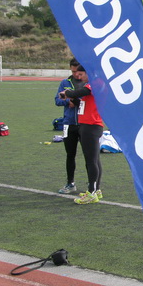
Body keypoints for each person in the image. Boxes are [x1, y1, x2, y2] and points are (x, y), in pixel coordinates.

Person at [59, 64, 104, 205]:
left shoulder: (95, 83)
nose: (79, 77)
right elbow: (83, 104)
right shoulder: (90, 86)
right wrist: (72, 99)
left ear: (88, 73)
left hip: (91, 126)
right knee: (93, 159)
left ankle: (92, 192)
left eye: (81, 74)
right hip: (87, 125)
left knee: (91, 160)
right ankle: (95, 190)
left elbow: (80, 92)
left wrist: (68, 93)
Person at [55, 58, 83, 194]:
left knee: (90, 157)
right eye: (73, 71)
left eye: (77, 71)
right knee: (70, 155)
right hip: (69, 124)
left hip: (85, 124)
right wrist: (67, 102)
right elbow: (57, 100)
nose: (75, 74)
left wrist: (78, 102)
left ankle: (93, 186)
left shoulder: (88, 82)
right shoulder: (65, 83)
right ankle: (70, 183)